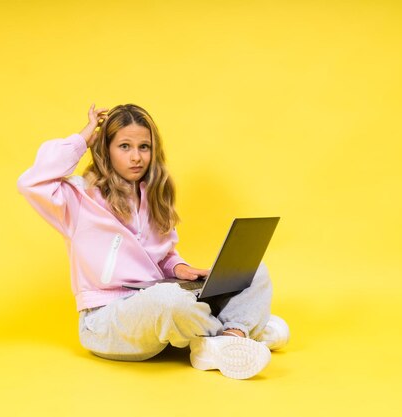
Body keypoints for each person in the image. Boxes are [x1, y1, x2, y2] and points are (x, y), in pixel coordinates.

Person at [17, 103, 289, 379]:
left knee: (253, 271)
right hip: (107, 320)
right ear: (105, 149)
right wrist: (83, 138)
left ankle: (226, 337)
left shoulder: (154, 194)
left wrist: (182, 269)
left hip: (160, 297)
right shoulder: (78, 198)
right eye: (124, 146)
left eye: (143, 147)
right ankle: (243, 329)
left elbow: (164, 256)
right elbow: (32, 182)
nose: (136, 157)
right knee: (168, 300)